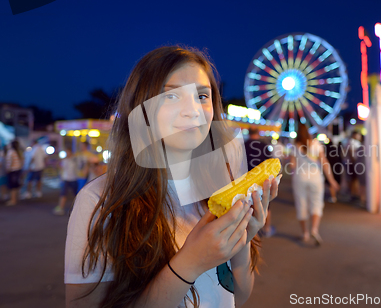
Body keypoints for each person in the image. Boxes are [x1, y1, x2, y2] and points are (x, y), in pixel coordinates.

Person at [65, 46, 280, 308]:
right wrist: (190, 262)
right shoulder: (100, 201)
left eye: (203, 96)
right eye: (171, 96)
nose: (193, 111)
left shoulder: (218, 187)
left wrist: (243, 240)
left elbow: (239, 296)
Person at [289, 123, 339, 245]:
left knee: (301, 204)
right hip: (316, 178)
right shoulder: (317, 145)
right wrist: (332, 180)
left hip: (300, 178)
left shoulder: (295, 146)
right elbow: (325, 163)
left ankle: (305, 233)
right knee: (316, 203)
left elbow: (292, 165)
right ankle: (314, 230)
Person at [244, 127, 276, 238]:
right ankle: (266, 229)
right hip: (262, 181)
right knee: (266, 205)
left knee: (247, 206)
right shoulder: (264, 146)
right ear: (258, 133)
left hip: (246, 180)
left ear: (248, 133)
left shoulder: (244, 145)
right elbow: (269, 163)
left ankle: (248, 230)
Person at [53, 148, 78, 216]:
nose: (67, 154)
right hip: (66, 179)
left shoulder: (74, 160)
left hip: (73, 178)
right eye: (66, 152)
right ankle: (61, 207)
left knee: (75, 194)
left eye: (68, 152)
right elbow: (61, 167)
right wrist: (58, 162)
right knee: (63, 193)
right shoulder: (65, 160)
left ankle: (76, 207)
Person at [5, 139, 23, 206]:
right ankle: (16, 198)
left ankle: (13, 200)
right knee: (16, 185)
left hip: (12, 170)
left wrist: (8, 169)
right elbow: (22, 161)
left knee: (12, 186)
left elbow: (10, 162)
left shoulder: (11, 152)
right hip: (18, 170)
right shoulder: (18, 151)